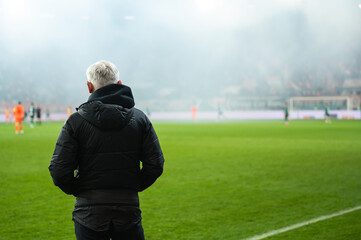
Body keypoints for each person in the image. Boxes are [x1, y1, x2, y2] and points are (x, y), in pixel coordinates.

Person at [49, 60, 164, 240]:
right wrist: (134, 185)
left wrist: (79, 189)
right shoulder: (140, 118)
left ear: (89, 86)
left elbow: (58, 170)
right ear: (119, 84)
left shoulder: (75, 121)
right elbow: (156, 164)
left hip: (88, 213)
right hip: (128, 209)